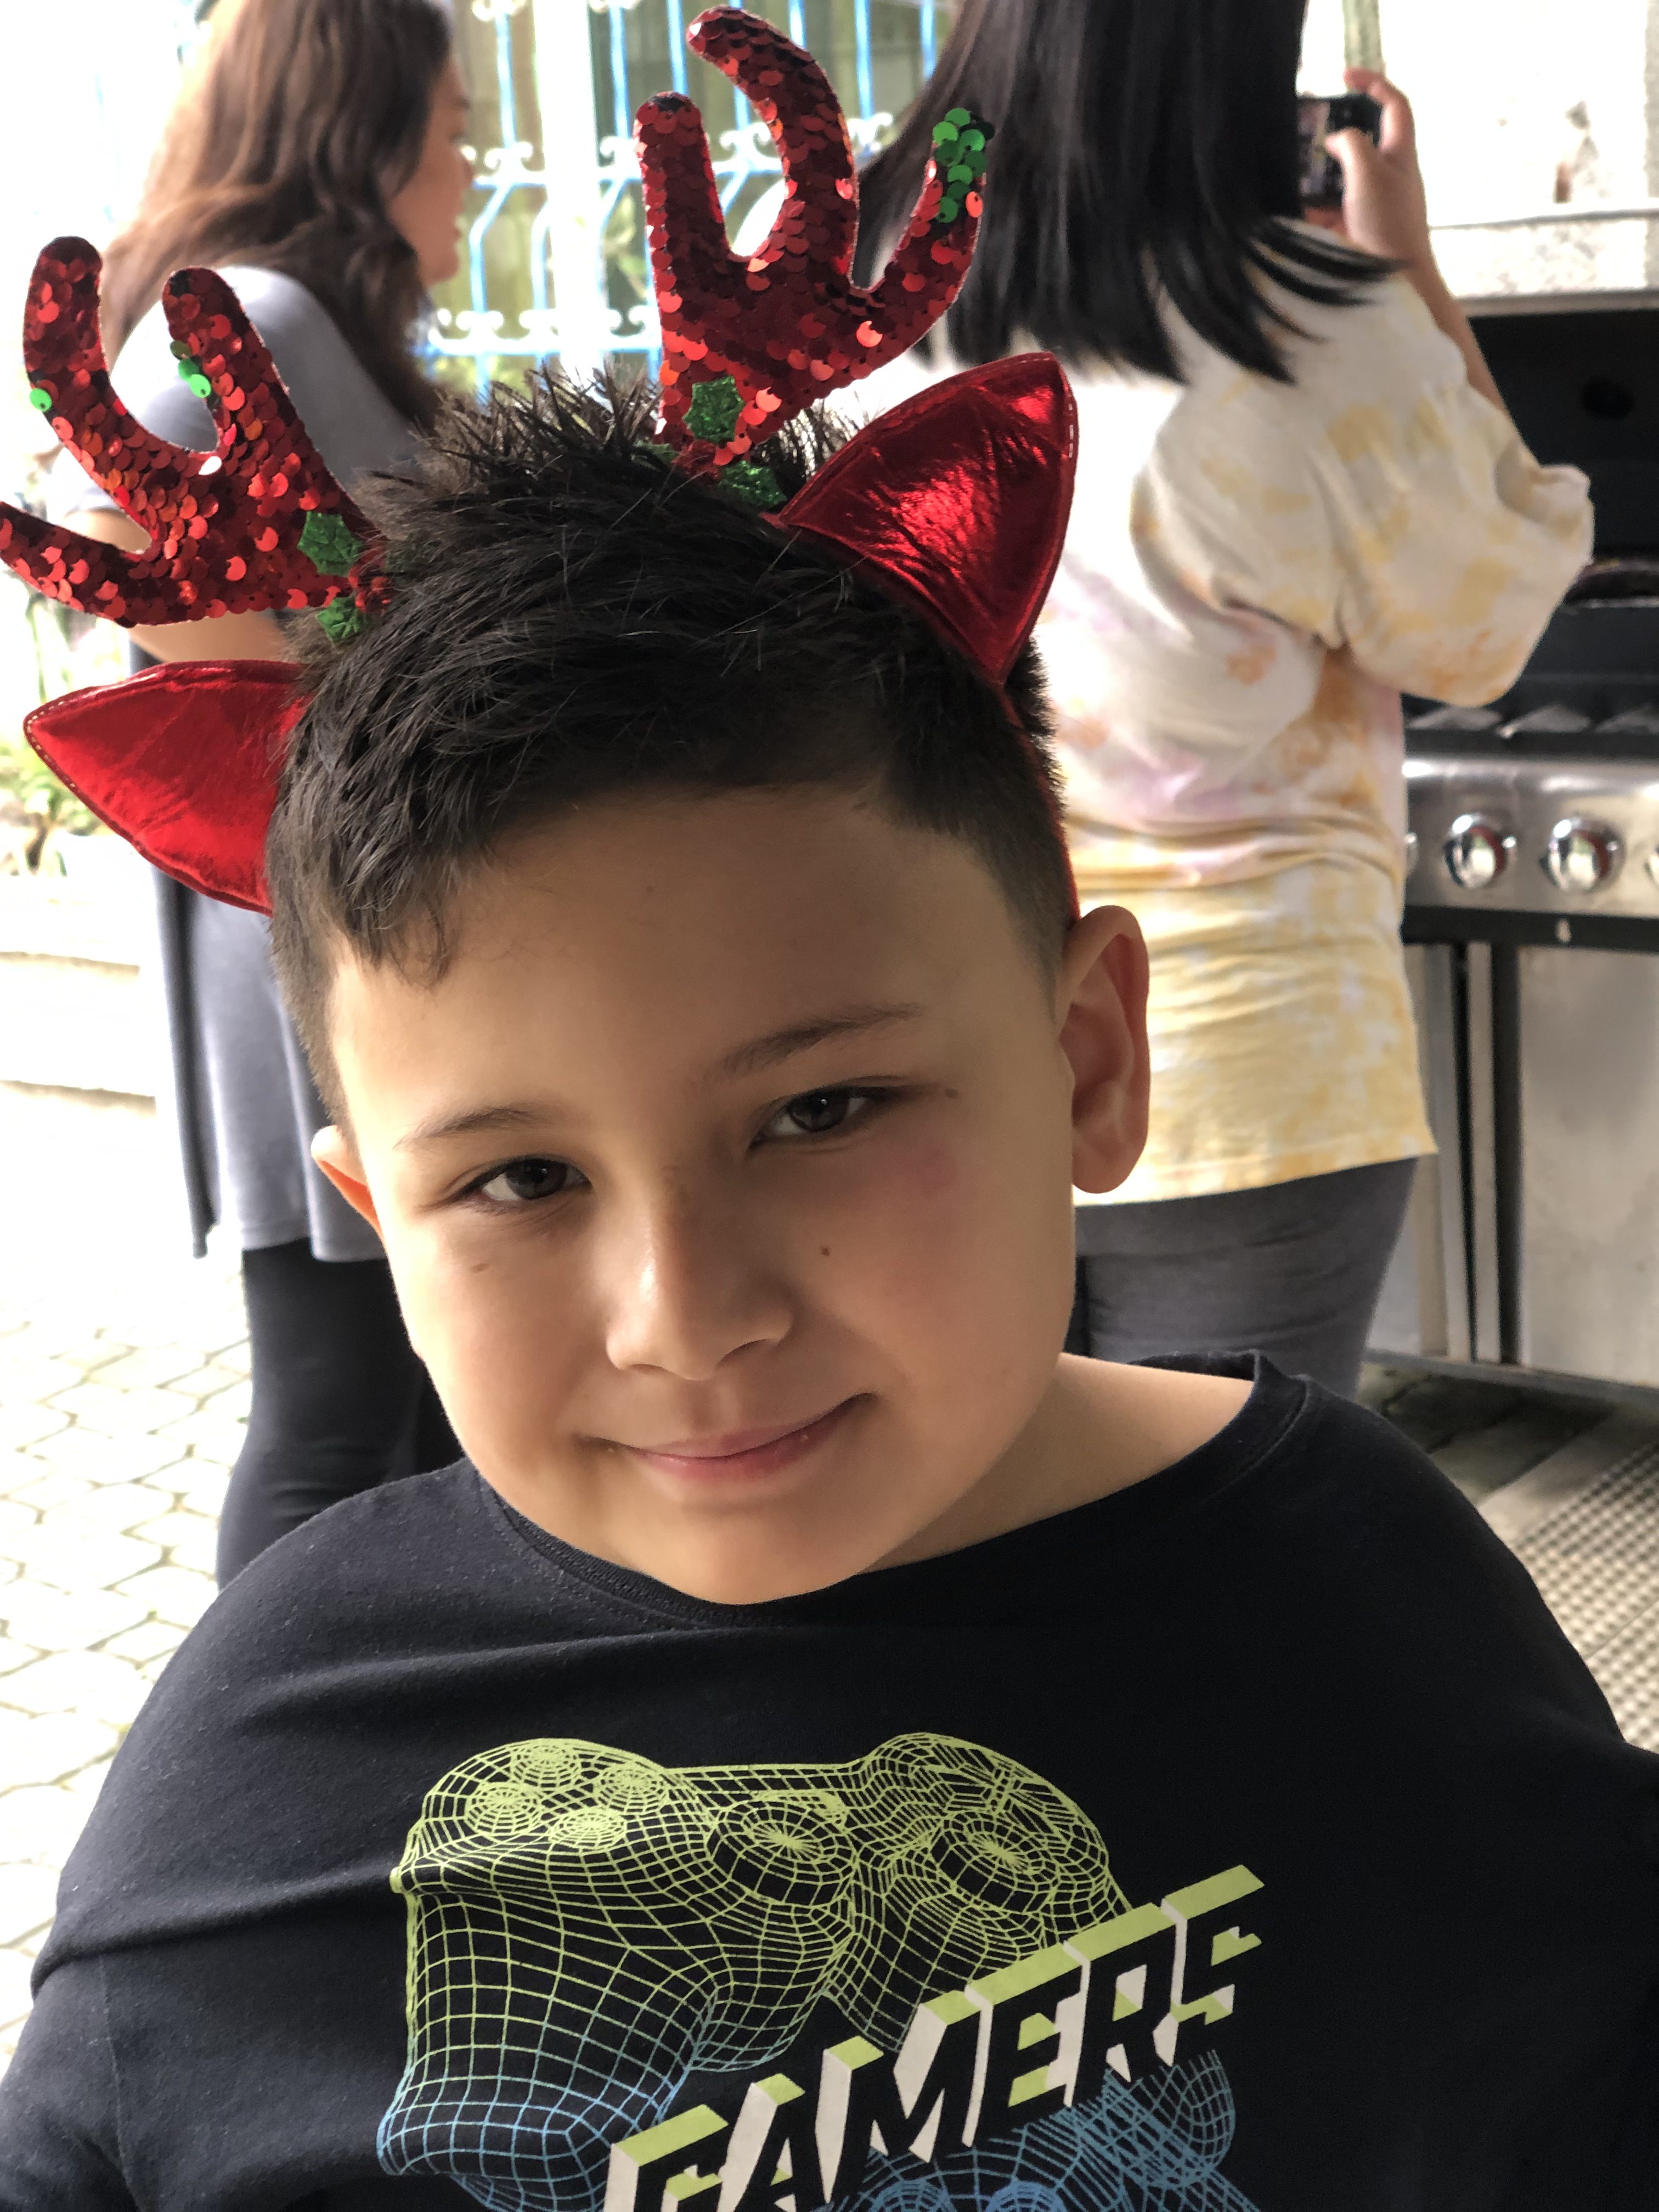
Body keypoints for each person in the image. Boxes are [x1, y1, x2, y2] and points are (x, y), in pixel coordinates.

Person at [2, 22, 1655, 2207]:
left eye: (825, 1109)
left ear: (1086, 1061)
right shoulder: (263, 1782)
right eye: (518, 1177)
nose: (688, 1316)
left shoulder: (1372, 1619)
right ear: (378, 1217)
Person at [854, 0, 1593, 1397]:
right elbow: (1489, 621)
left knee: (977, 1516)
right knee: (1227, 1523)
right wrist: (1407, 263)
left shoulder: (848, 294)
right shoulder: (1310, 329)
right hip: (1253, 1074)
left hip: (922, 1056)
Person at [64, 0, 469, 1578]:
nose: (467, 168)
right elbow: (137, 545)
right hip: (313, 930)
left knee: (397, 1403)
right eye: (452, 128)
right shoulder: (257, 315)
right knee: (338, 1414)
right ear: (366, 131)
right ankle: (273, 1715)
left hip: (330, 915)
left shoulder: (290, 318)